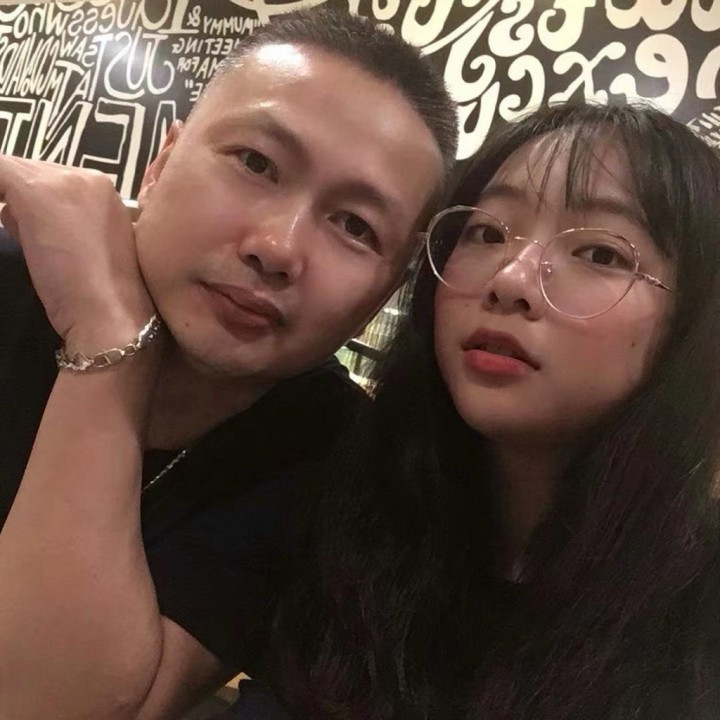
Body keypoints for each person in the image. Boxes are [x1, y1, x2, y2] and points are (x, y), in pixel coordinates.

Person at [0, 8, 456, 720]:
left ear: (386, 291)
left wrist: (109, 338)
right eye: (255, 163)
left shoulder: (332, 462)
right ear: (161, 162)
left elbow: (52, 705)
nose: (278, 248)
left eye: (355, 226)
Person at [249, 102, 720, 720]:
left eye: (601, 253)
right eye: (488, 233)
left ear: (693, 325)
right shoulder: (343, 511)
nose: (511, 280)